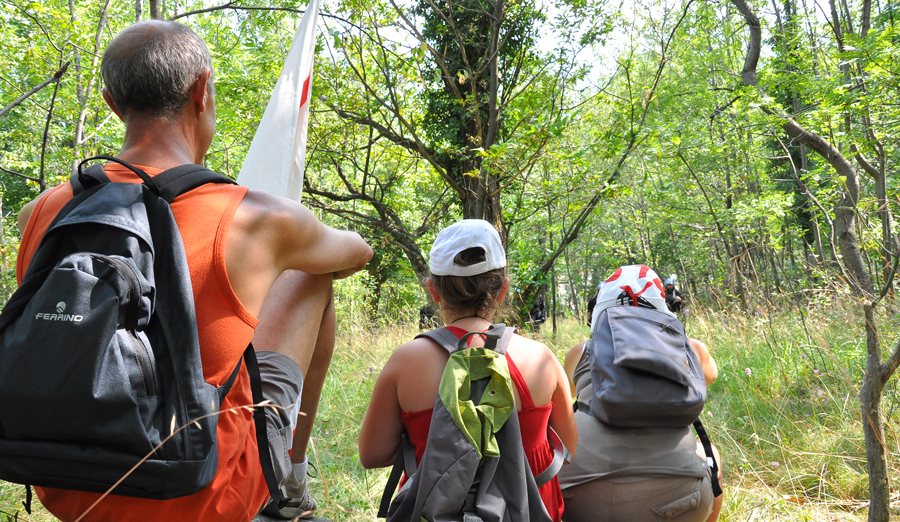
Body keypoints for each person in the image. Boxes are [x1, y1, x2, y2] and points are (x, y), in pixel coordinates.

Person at [15, 21, 373, 522]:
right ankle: (291, 482)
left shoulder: (42, 212)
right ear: (202, 90)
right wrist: (288, 243)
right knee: (312, 271)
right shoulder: (261, 218)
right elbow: (357, 254)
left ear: (113, 104)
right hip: (202, 493)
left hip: (67, 485)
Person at [357, 219, 578, 521]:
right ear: (503, 289)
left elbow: (372, 455)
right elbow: (568, 449)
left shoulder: (405, 362)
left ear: (433, 290)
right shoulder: (542, 359)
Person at [559, 266, 723, 522]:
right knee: (712, 454)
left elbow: (568, 393)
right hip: (679, 500)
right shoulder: (691, 349)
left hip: (579, 498)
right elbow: (711, 376)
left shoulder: (581, 352)